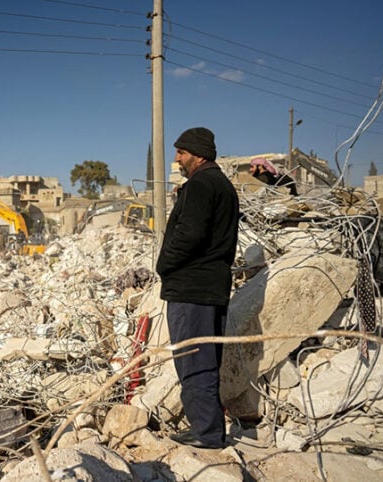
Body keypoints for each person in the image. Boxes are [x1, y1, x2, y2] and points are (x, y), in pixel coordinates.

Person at [156, 127, 239, 450]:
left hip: (192, 289)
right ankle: (204, 426)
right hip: (211, 287)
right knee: (205, 359)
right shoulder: (221, 185)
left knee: (194, 360)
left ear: (198, 154)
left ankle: (206, 434)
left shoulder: (201, 185)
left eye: (182, 153)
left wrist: (164, 265)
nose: (177, 159)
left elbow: (189, 235)